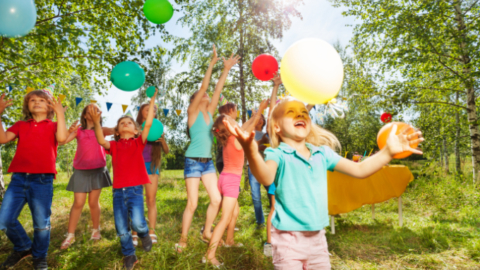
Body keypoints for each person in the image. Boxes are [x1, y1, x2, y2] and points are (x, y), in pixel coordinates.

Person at [224, 97, 424, 269]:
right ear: (276, 126)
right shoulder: (277, 154)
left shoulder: (322, 153)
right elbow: (266, 178)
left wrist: (388, 152)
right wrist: (250, 150)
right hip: (287, 240)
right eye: (291, 112)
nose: (300, 115)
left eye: (304, 112)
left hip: (318, 240)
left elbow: (361, 170)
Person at [177, 45, 240, 251]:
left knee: (216, 199)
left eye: (204, 96)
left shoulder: (210, 113)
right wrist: (212, 64)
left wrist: (226, 69)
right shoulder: (193, 113)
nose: (205, 96)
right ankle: (183, 240)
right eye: (200, 95)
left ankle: (206, 231)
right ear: (194, 101)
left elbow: (217, 90)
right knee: (192, 204)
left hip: (208, 164)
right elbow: (205, 88)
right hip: (193, 161)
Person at [0, 89, 68, 270]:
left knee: (41, 224)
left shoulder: (53, 125)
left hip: (42, 180)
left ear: (50, 105)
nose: (36, 102)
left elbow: (62, 138)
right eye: (32, 100)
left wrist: (60, 114)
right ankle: (23, 246)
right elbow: (2, 138)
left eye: (41, 100)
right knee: (4, 220)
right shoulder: (21, 125)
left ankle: (39, 257)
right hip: (18, 179)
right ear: (27, 106)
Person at [90, 89, 158, 270]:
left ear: (136, 130)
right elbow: (100, 139)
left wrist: (152, 101)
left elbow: (149, 123)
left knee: (137, 222)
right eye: (122, 123)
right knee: (121, 228)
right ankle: (129, 254)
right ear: (118, 131)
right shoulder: (113, 145)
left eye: (129, 122)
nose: (126, 124)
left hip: (135, 189)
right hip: (118, 191)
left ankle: (143, 234)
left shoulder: (138, 142)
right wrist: (97, 122)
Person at [204, 99, 269, 267]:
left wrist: (257, 113)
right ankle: (210, 255)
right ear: (228, 124)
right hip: (231, 182)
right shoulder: (237, 139)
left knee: (234, 213)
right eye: (232, 120)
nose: (237, 121)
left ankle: (229, 240)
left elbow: (245, 126)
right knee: (225, 218)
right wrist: (259, 111)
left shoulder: (229, 139)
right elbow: (248, 127)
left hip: (223, 179)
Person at [60, 104, 114, 249]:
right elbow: (62, 141)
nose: (92, 112)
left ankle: (96, 230)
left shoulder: (102, 130)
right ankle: (70, 235)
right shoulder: (79, 131)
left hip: (98, 170)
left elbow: (117, 130)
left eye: (96, 110)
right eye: (89, 111)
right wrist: (67, 131)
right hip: (81, 171)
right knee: (78, 203)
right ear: (84, 115)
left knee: (93, 203)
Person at [131, 104, 169, 246]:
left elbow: (167, 151)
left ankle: (151, 231)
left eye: (154, 110)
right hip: (136, 167)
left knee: (151, 200)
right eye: (148, 109)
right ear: (141, 112)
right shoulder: (134, 127)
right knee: (135, 201)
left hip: (152, 167)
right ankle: (134, 233)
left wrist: (163, 141)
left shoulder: (157, 128)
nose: (152, 111)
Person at [215, 102, 237, 174]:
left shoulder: (219, 124)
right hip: (226, 161)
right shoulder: (225, 124)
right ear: (231, 111)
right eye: (236, 110)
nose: (236, 114)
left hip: (223, 161)